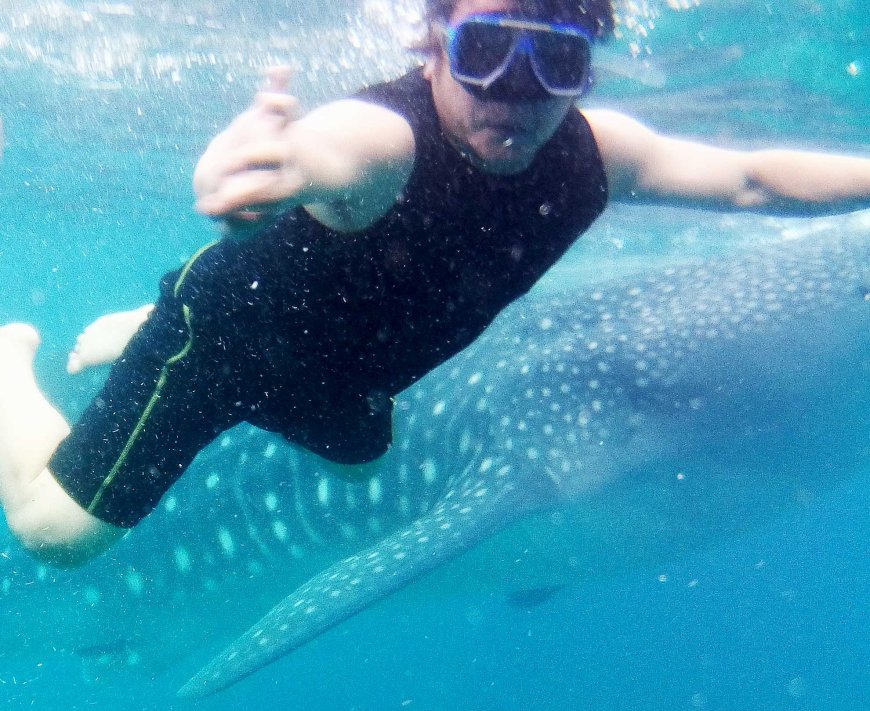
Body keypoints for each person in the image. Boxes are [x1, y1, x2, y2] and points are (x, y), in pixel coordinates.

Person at [1, 0, 869, 567]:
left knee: (357, 470)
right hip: (225, 341)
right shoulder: (387, 141)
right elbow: (322, 147)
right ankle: (18, 359)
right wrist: (263, 166)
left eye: (554, 62)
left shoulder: (598, 157)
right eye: (486, 50)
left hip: (347, 379)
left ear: (586, 71)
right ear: (434, 43)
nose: (515, 92)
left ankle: (135, 321)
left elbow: (754, 176)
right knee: (56, 535)